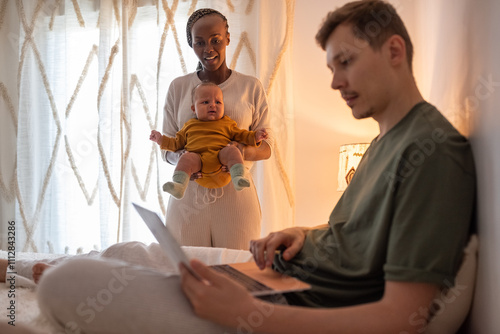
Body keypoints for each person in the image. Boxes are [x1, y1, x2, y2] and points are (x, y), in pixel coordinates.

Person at [3, 1, 475, 333]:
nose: (334, 81)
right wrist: (305, 234)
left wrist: (244, 313)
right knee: (128, 251)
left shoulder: (432, 151)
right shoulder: (386, 141)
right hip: (280, 274)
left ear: (394, 51)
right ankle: (15, 266)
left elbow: (400, 318)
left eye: (345, 62)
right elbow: (363, 232)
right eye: (332, 66)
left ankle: (35, 272)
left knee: (68, 283)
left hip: (284, 301)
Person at [161, 8, 272, 250]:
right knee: (188, 279)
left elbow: (266, 148)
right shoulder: (178, 87)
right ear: (191, 44)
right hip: (187, 201)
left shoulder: (250, 87)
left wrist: (240, 152)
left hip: (237, 199)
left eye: (215, 40)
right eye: (199, 42)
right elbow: (167, 148)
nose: (208, 49)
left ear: (228, 38)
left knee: (237, 276)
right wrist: (182, 157)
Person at [150, 82, 268, 199]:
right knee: (186, 158)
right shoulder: (189, 126)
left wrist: (255, 137)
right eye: (205, 102)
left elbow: (243, 135)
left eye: (218, 102)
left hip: (221, 160)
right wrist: (161, 140)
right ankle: (179, 185)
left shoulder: (227, 123)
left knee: (232, 150)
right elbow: (175, 144)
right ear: (194, 109)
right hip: (198, 164)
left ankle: (238, 177)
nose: (212, 105)